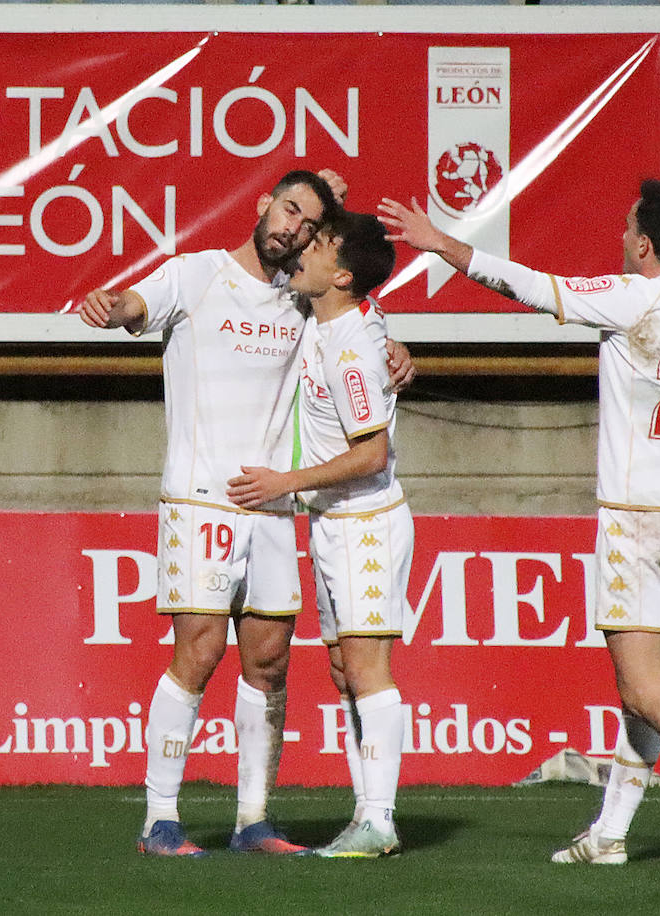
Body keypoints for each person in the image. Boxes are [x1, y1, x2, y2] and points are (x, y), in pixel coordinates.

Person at [378, 180, 660, 870]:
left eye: (629, 229)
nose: (622, 238)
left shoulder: (634, 299)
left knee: (643, 688)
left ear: (646, 244)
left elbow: (528, 287)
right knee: (642, 684)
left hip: (636, 521)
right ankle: (610, 833)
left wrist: (441, 244)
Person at [79, 170, 414, 857]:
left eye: (308, 223)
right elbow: (135, 305)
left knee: (268, 663)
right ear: (263, 203)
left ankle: (253, 821)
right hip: (202, 496)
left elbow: (354, 325)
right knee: (199, 652)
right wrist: (111, 307)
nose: (292, 228)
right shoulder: (198, 274)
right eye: (289, 208)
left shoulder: (302, 297)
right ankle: (160, 820)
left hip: (273, 504)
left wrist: (397, 354)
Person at [227, 211, 409, 858]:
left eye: (321, 243)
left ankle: (379, 819)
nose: (303, 247)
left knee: (367, 667)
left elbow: (371, 453)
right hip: (333, 519)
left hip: (364, 522)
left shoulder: (353, 349)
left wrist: (285, 481)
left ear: (343, 273)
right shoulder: (330, 320)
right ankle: (367, 816)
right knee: (343, 668)